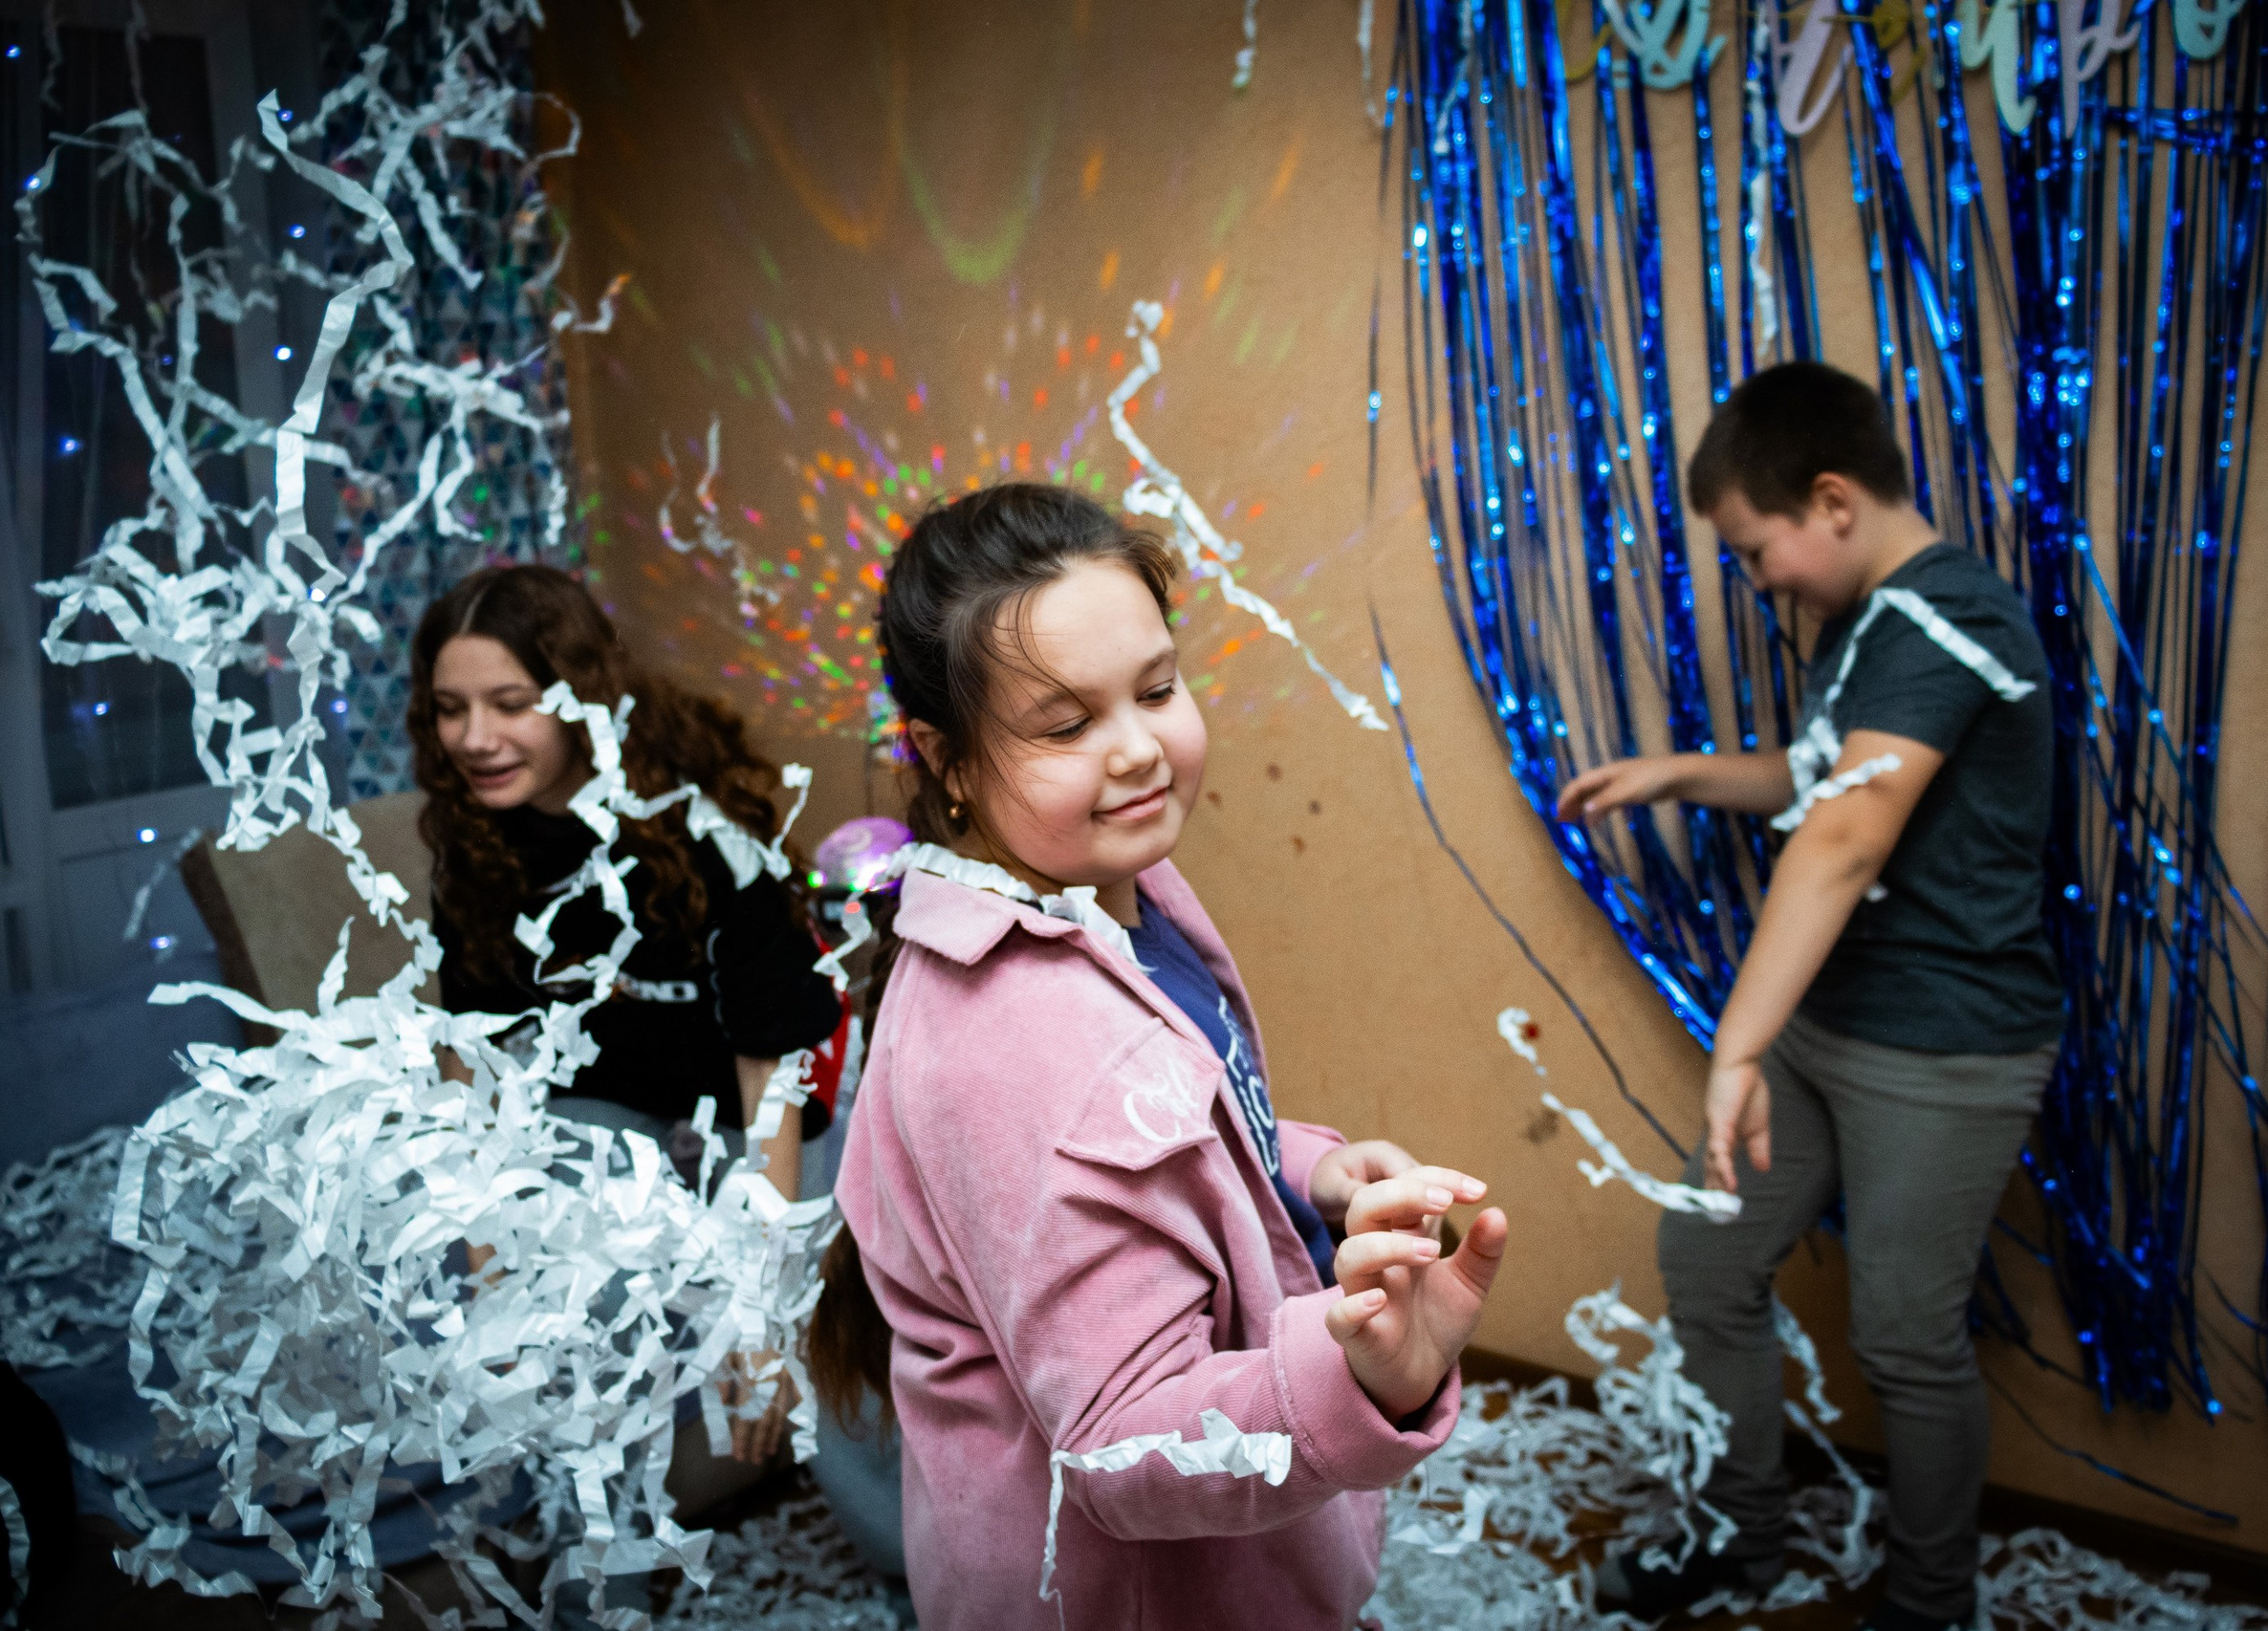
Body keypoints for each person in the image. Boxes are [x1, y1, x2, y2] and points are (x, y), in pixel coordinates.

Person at [812, 483, 1510, 1630]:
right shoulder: (1021, 1044)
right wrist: (1362, 1380)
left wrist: (1306, 1171)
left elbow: (1163, 1141)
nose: (1138, 749)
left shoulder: (1110, 895)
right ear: (941, 757)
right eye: (1065, 722)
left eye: (1156, 688)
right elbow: (1121, 1436)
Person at [1558, 362, 2061, 1631]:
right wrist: (1677, 773)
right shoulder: (1868, 628)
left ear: (1830, 499)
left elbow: (1844, 831)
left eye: (1753, 545)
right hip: (1836, 1026)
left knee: (1904, 1335)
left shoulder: (1957, 617)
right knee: (1708, 1253)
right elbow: (1818, 769)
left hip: (1944, 1050)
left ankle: (1930, 1601)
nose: (1757, 576)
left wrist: (1737, 1042)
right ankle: (1744, 1530)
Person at [406, 563, 845, 1477]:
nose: (476, 739)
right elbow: (474, 1064)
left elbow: (771, 1080)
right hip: (611, 1123)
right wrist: (491, 1265)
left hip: (755, 1120)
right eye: (452, 709)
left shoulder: (706, 837)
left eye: (510, 703)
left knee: (794, 1351)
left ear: (580, 698)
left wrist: (759, 1304)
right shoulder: (475, 845)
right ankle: (590, 1524)